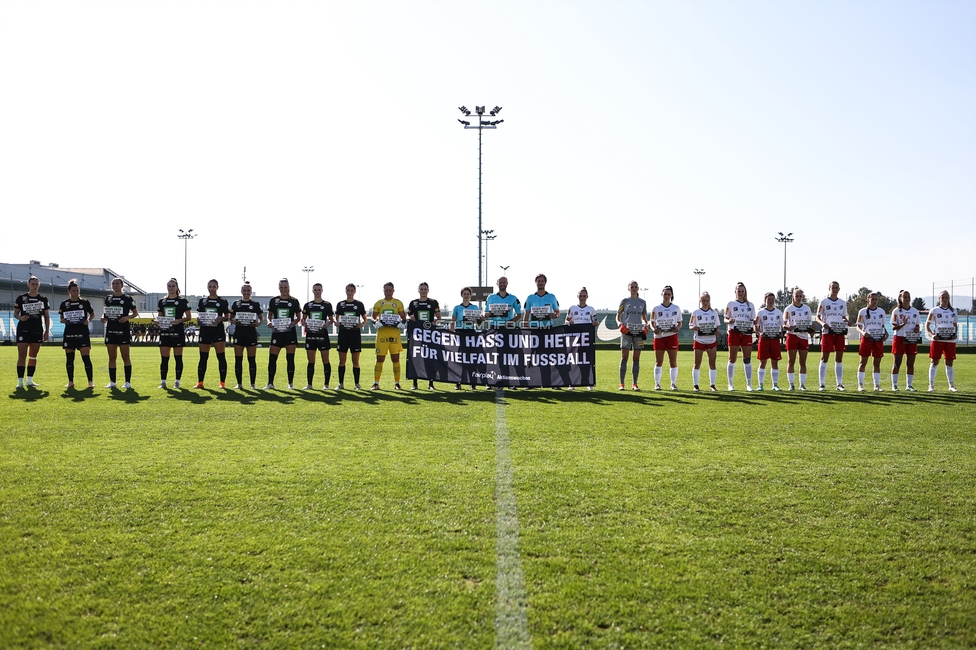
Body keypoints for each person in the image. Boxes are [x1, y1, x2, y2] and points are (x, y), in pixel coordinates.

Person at [14, 275, 51, 388]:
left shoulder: (43, 299)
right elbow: (15, 313)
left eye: (36, 284)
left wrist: (46, 331)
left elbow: (46, 316)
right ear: (28, 285)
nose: (35, 286)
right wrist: (21, 318)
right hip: (23, 329)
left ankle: (29, 380)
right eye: (33, 284)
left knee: (33, 355)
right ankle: (20, 381)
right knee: (22, 355)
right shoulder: (21, 298)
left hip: (37, 329)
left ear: (39, 285)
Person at [101, 277, 138, 389]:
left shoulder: (127, 298)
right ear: (111, 286)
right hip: (111, 330)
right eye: (113, 283)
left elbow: (135, 313)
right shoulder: (108, 299)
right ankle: (112, 382)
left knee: (125, 357)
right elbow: (105, 313)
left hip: (123, 331)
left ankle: (127, 382)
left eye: (117, 283)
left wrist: (126, 318)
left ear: (122, 286)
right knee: (112, 357)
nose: (115, 285)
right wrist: (103, 318)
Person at [58, 279, 96, 388]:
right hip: (69, 333)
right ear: (69, 291)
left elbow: (92, 314)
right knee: (69, 358)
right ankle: (70, 382)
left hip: (82, 333)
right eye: (74, 291)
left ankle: (90, 382)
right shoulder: (64, 304)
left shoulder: (85, 302)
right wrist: (63, 320)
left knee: (86, 358)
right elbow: (61, 317)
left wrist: (88, 319)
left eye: (77, 290)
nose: (76, 292)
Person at [266, 278, 302, 390]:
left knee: (290, 358)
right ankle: (270, 383)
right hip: (277, 332)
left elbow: (299, 317)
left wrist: (293, 323)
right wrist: (269, 322)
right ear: (279, 288)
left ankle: (290, 383)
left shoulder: (294, 301)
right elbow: (269, 315)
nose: (283, 290)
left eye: (285, 287)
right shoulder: (273, 300)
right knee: (272, 358)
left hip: (290, 333)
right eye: (281, 287)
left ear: (289, 287)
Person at [371, 282, 408, 390]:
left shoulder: (398, 303)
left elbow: (404, 317)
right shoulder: (379, 303)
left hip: (394, 334)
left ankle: (397, 383)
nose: (388, 292)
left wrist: (403, 323)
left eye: (390, 290)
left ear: (393, 291)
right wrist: (374, 323)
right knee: (380, 359)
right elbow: (373, 317)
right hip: (382, 334)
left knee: (395, 358)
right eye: (386, 290)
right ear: (383, 290)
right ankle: (376, 383)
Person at [157, 278, 192, 389]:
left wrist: (178, 321)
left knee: (178, 358)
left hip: (177, 332)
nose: (171, 288)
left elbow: (189, 317)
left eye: (173, 286)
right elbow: (160, 316)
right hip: (165, 332)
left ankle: (177, 381)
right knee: (164, 358)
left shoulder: (182, 301)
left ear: (177, 287)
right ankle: (163, 382)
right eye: (169, 286)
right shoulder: (162, 301)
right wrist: (157, 321)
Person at [195, 279, 230, 389]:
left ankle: (222, 383)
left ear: (217, 287)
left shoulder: (223, 301)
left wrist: (221, 318)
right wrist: (198, 319)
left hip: (218, 331)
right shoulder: (202, 301)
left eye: (214, 286)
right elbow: (200, 315)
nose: (212, 288)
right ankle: (200, 383)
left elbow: (228, 317)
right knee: (203, 358)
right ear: (207, 287)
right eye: (210, 286)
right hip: (205, 331)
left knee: (221, 357)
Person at [229, 282, 264, 389]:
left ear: (251, 291)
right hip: (239, 334)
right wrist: (233, 321)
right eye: (244, 290)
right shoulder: (236, 304)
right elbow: (231, 317)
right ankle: (239, 383)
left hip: (251, 334)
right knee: (238, 359)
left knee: (251, 359)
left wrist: (258, 323)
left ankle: (253, 384)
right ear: (241, 291)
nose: (246, 293)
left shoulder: (255, 304)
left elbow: (261, 318)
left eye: (248, 290)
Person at [816, 281, 849, 391]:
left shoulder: (842, 302)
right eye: (833, 287)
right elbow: (818, 317)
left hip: (839, 332)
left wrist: (846, 321)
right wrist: (822, 324)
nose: (834, 289)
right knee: (824, 357)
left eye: (836, 288)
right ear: (829, 288)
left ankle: (839, 384)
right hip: (827, 332)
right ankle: (821, 384)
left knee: (839, 358)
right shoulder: (824, 301)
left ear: (839, 289)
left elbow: (843, 316)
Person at [302, 282, 335, 390]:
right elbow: (303, 319)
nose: (317, 292)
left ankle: (326, 384)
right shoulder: (308, 305)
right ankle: (309, 384)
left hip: (323, 335)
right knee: (311, 361)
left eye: (319, 290)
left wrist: (327, 324)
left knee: (325, 360)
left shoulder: (327, 304)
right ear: (312, 291)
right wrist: (304, 323)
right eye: (315, 290)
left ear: (322, 290)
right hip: (311, 335)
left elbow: (331, 319)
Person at [407, 282, 440, 390]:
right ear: (418, 290)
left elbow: (438, 317)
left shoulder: (433, 302)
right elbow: (409, 314)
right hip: (417, 334)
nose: (423, 291)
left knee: (430, 358)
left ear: (428, 290)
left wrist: (436, 322)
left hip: (429, 334)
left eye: (425, 289)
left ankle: (431, 384)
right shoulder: (413, 303)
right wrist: (412, 317)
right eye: (421, 289)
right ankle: (415, 383)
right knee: (415, 357)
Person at [334, 284, 368, 389]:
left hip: (355, 335)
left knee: (355, 361)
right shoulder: (340, 304)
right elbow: (337, 318)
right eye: (348, 290)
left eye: (351, 290)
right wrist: (337, 323)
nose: (349, 292)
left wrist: (362, 324)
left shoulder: (359, 304)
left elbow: (365, 318)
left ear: (354, 291)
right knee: (342, 360)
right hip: (343, 334)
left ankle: (357, 384)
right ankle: (340, 384)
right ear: (345, 291)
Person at [617, 281, 648, 391]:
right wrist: (620, 325)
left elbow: (644, 318)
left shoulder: (642, 302)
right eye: (632, 287)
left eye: (636, 287)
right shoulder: (624, 302)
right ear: (628, 288)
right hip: (626, 333)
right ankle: (622, 384)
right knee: (624, 357)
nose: (634, 289)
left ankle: (635, 384)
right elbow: (618, 316)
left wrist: (646, 326)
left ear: (638, 288)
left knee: (636, 358)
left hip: (638, 333)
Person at [925, 290, 958, 392]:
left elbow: (955, 325)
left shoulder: (954, 311)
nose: (944, 299)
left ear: (949, 299)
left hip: (950, 341)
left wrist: (954, 334)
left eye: (946, 297)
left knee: (949, 362)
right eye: (942, 297)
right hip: (937, 340)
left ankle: (951, 385)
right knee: (934, 361)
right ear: (939, 299)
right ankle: (931, 385)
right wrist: (932, 335)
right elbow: (927, 326)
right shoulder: (934, 311)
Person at [725, 282, 755, 391]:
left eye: (742, 291)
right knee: (732, 358)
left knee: (747, 359)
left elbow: (753, 320)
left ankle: (749, 384)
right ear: (735, 292)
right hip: (734, 333)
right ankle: (730, 384)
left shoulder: (750, 305)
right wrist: (729, 320)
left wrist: (754, 322)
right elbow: (725, 318)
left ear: (745, 292)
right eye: (739, 291)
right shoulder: (731, 304)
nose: (741, 293)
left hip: (746, 333)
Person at [855, 291, 888, 392]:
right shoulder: (862, 312)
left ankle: (876, 386)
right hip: (867, 339)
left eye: (876, 299)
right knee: (863, 362)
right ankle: (860, 385)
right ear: (867, 300)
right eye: (872, 299)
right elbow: (858, 327)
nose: (874, 301)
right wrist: (863, 333)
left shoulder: (881, 311)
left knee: (877, 363)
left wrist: (886, 334)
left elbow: (882, 326)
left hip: (878, 339)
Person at [451, 286, 483, 390]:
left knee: (471, 358)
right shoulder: (457, 308)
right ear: (461, 295)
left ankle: (472, 382)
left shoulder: (474, 308)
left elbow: (478, 324)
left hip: (471, 333)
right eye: (464, 294)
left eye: (467, 294)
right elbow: (453, 322)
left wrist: (481, 319)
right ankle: (458, 382)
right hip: (460, 333)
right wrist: (451, 333)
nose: (466, 295)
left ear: (470, 295)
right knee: (460, 359)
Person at [889, 289, 921, 391]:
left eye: (908, 297)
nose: (907, 299)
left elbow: (917, 326)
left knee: (910, 363)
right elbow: (893, 327)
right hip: (899, 338)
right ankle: (894, 385)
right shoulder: (896, 311)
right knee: (897, 363)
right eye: (905, 297)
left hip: (911, 338)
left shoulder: (915, 311)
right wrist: (903, 324)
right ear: (900, 298)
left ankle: (909, 385)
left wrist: (917, 329)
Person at [565, 287, 597, 391]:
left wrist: (594, 323)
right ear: (577, 296)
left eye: (584, 296)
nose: (582, 298)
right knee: (574, 360)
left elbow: (596, 322)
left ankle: (588, 382)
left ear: (587, 297)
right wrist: (569, 323)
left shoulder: (591, 309)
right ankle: (573, 383)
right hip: (575, 339)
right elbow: (566, 321)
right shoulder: (572, 308)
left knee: (587, 360)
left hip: (586, 340)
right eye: (580, 295)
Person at [651, 285, 681, 390]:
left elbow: (679, 323)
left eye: (669, 294)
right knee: (659, 361)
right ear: (662, 294)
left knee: (672, 361)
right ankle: (657, 384)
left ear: (671, 295)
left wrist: (677, 328)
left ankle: (673, 383)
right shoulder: (656, 308)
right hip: (659, 337)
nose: (666, 296)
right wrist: (654, 329)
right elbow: (652, 323)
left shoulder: (676, 308)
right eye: (665, 294)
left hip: (671, 336)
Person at [783, 287, 814, 391]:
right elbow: (784, 324)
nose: (799, 298)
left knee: (803, 362)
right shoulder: (788, 309)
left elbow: (810, 323)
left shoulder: (807, 309)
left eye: (800, 296)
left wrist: (811, 329)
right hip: (792, 336)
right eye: (797, 296)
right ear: (793, 296)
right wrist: (788, 327)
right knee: (791, 361)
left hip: (804, 337)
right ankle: (791, 384)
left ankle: (802, 385)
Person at [690, 291, 720, 392]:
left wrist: (717, 331)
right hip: (699, 340)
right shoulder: (695, 312)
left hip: (711, 340)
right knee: (697, 363)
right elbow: (690, 326)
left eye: (707, 301)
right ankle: (696, 385)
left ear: (709, 301)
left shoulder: (714, 312)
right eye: (703, 300)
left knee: (712, 363)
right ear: (700, 300)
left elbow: (717, 327)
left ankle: (712, 385)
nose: (705, 302)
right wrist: (695, 327)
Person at [755, 292, 784, 391]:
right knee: (763, 362)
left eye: (772, 299)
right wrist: (760, 333)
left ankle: (775, 385)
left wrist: (781, 333)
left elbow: (781, 326)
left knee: (775, 362)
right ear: (765, 300)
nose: (771, 301)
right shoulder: (760, 312)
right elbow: (756, 327)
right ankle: (760, 385)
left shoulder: (779, 312)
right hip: (764, 340)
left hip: (775, 340)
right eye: (769, 299)